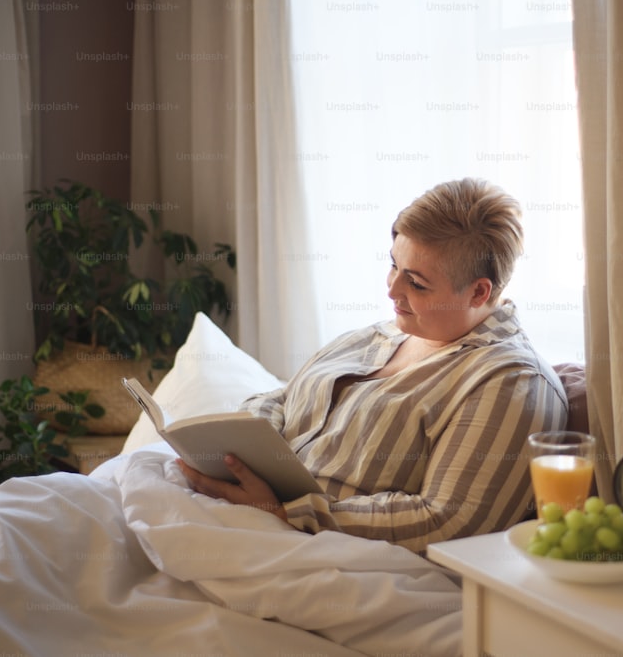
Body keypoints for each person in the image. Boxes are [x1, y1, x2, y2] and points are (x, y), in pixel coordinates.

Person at [178, 178, 569, 554]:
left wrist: (283, 511)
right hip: (251, 514)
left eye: (416, 283)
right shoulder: (378, 336)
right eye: (393, 265)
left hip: (322, 548)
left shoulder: (510, 383)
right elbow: (281, 398)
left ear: (479, 292)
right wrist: (235, 446)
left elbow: (447, 522)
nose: (392, 289)